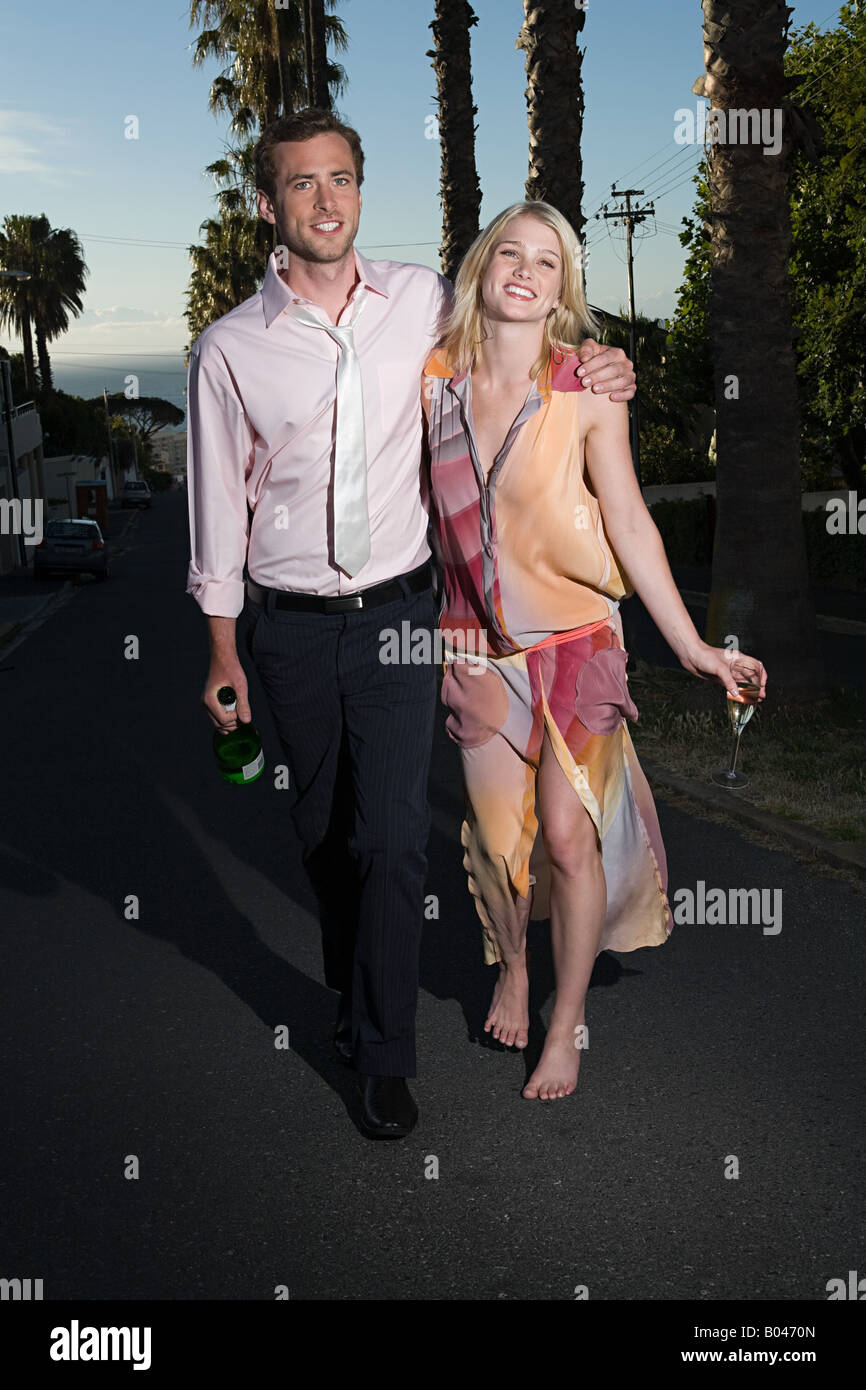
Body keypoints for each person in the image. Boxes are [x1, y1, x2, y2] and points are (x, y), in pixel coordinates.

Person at [185, 109, 637, 1139]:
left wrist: (603, 362)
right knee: (323, 839)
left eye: (341, 177)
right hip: (289, 629)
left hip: (399, 616)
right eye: (303, 184)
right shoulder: (227, 351)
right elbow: (215, 509)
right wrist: (222, 648)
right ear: (268, 205)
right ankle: (351, 985)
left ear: (359, 189)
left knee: (392, 842)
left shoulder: (424, 300)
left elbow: (524, 334)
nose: (327, 199)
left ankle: (384, 1054)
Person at [422, 201, 767, 1102]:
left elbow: (628, 517)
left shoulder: (584, 386)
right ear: (482, 268)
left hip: (577, 644)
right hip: (479, 653)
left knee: (569, 838)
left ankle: (566, 1018)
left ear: (563, 291)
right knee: (503, 848)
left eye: (549, 261)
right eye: (511, 252)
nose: (527, 270)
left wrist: (692, 645)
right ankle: (515, 968)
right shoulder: (432, 378)